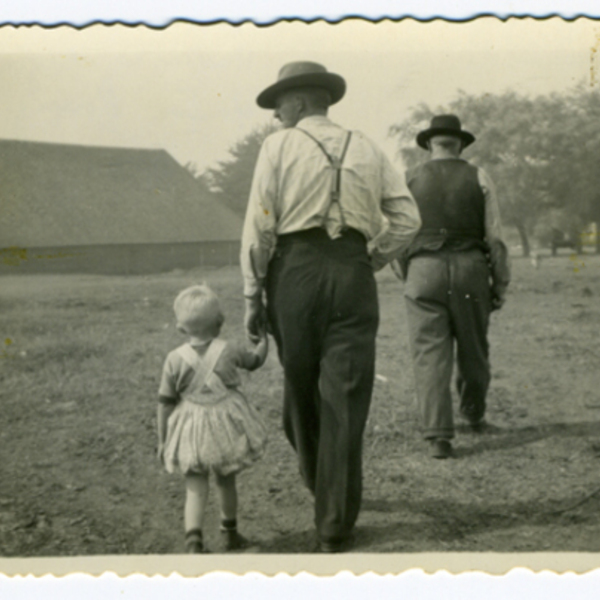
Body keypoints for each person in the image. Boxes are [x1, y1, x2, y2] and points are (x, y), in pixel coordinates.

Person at [241, 61, 421, 552]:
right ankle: (334, 509)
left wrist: (251, 294)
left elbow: (260, 225)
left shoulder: (278, 146)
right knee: (344, 398)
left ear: (299, 102)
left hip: (294, 275)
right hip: (353, 274)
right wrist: (368, 258)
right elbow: (407, 220)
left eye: (279, 104)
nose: (277, 114)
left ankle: (332, 514)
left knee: (301, 395)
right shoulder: (367, 146)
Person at [394, 114, 511, 459]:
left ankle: (438, 437)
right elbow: (496, 239)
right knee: (474, 347)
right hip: (470, 268)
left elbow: (397, 236)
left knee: (429, 354)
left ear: (430, 144)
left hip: (422, 270)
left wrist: (411, 272)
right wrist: (499, 283)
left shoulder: (408, 179)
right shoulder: (478, 176)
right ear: (459, 143)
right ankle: (473, 413)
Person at [156, 284, 268, 553]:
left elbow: (164, 403)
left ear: (181, 329)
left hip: (191, 428)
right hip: (224, 427)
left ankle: (193, 541)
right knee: (226, 479)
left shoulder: (174, 359)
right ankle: (229, 533)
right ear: (219, 322)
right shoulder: (228, 349)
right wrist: (264, 342)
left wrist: (162, 440)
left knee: (195, 484)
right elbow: (254, 362)